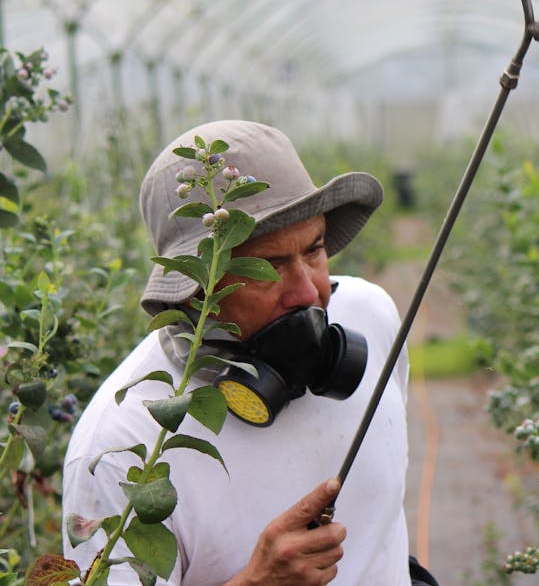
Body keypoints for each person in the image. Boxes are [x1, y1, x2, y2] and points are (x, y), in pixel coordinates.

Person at [61, 120, 412, 585]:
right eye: (267, 266)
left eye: (314, 250)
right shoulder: (120, 447)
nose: (309, 293)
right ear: (192, 290)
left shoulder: (372, 317)